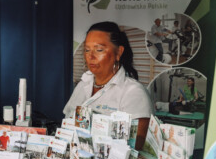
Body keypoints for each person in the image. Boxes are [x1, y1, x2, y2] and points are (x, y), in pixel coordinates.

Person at [64, 21, 153, 150]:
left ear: (118, 53)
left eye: (99, 50)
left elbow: (136, 148)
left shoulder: (134, 93)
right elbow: (66, 124)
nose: (91, 56)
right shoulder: (83, 85)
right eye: (87, 50)